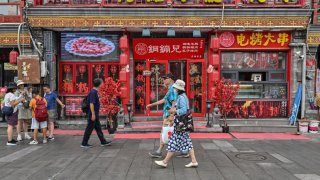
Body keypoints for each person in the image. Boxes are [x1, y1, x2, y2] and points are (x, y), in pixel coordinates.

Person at [155, 79, 198, 168]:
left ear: (178, 89)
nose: (174, 89)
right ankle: (194, 161)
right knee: (188, 142)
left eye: (175, 88)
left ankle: (165, 161)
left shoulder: (181, 97)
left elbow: (183, 110)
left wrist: (174, 110)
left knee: (173, 142)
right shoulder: (183, 96)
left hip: (181, 124)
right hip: (184, 124)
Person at [147, 73, 188, 158]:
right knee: (176, 133)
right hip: (168, 114)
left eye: (166, 78)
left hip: (169, 115)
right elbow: (164, 100)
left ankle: (159, 151)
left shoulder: (173, 89)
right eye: (164, 78)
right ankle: (184, 151)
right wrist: (152, 104)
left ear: (171, 79)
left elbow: (174, 102)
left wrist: (172, 115)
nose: (164, 80)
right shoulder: (171, 89)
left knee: (164, 132)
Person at [81, 78, 111, 148]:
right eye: (102, 83)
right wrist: (93, 114)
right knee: (89, 128)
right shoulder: (93, 92)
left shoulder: (95, 92)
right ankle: (84, 143)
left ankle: (103, 141)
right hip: (92, 113)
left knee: (98, 128)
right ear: (99, 84)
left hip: (95, 113)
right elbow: (91, 103)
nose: (103, 84)